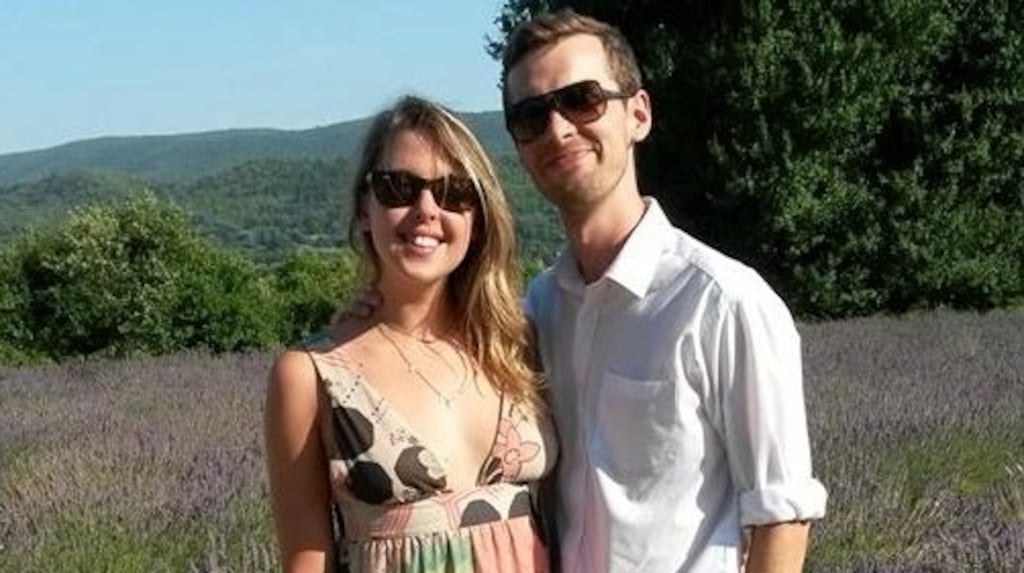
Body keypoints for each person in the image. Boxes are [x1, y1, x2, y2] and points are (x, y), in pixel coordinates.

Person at [500, 10, 828, 573]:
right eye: (531, 116)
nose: (557, 129)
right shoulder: (539, 308)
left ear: (638, 115)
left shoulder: (722, 302)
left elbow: (781, 519)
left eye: (582, 100)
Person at [264, 95, 558, 573]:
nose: (426, 210)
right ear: (364, 208)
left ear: (477, 217)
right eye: (399, 187)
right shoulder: (311, 375)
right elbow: (305, 557)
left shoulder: (516, 342)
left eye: (453, 192)